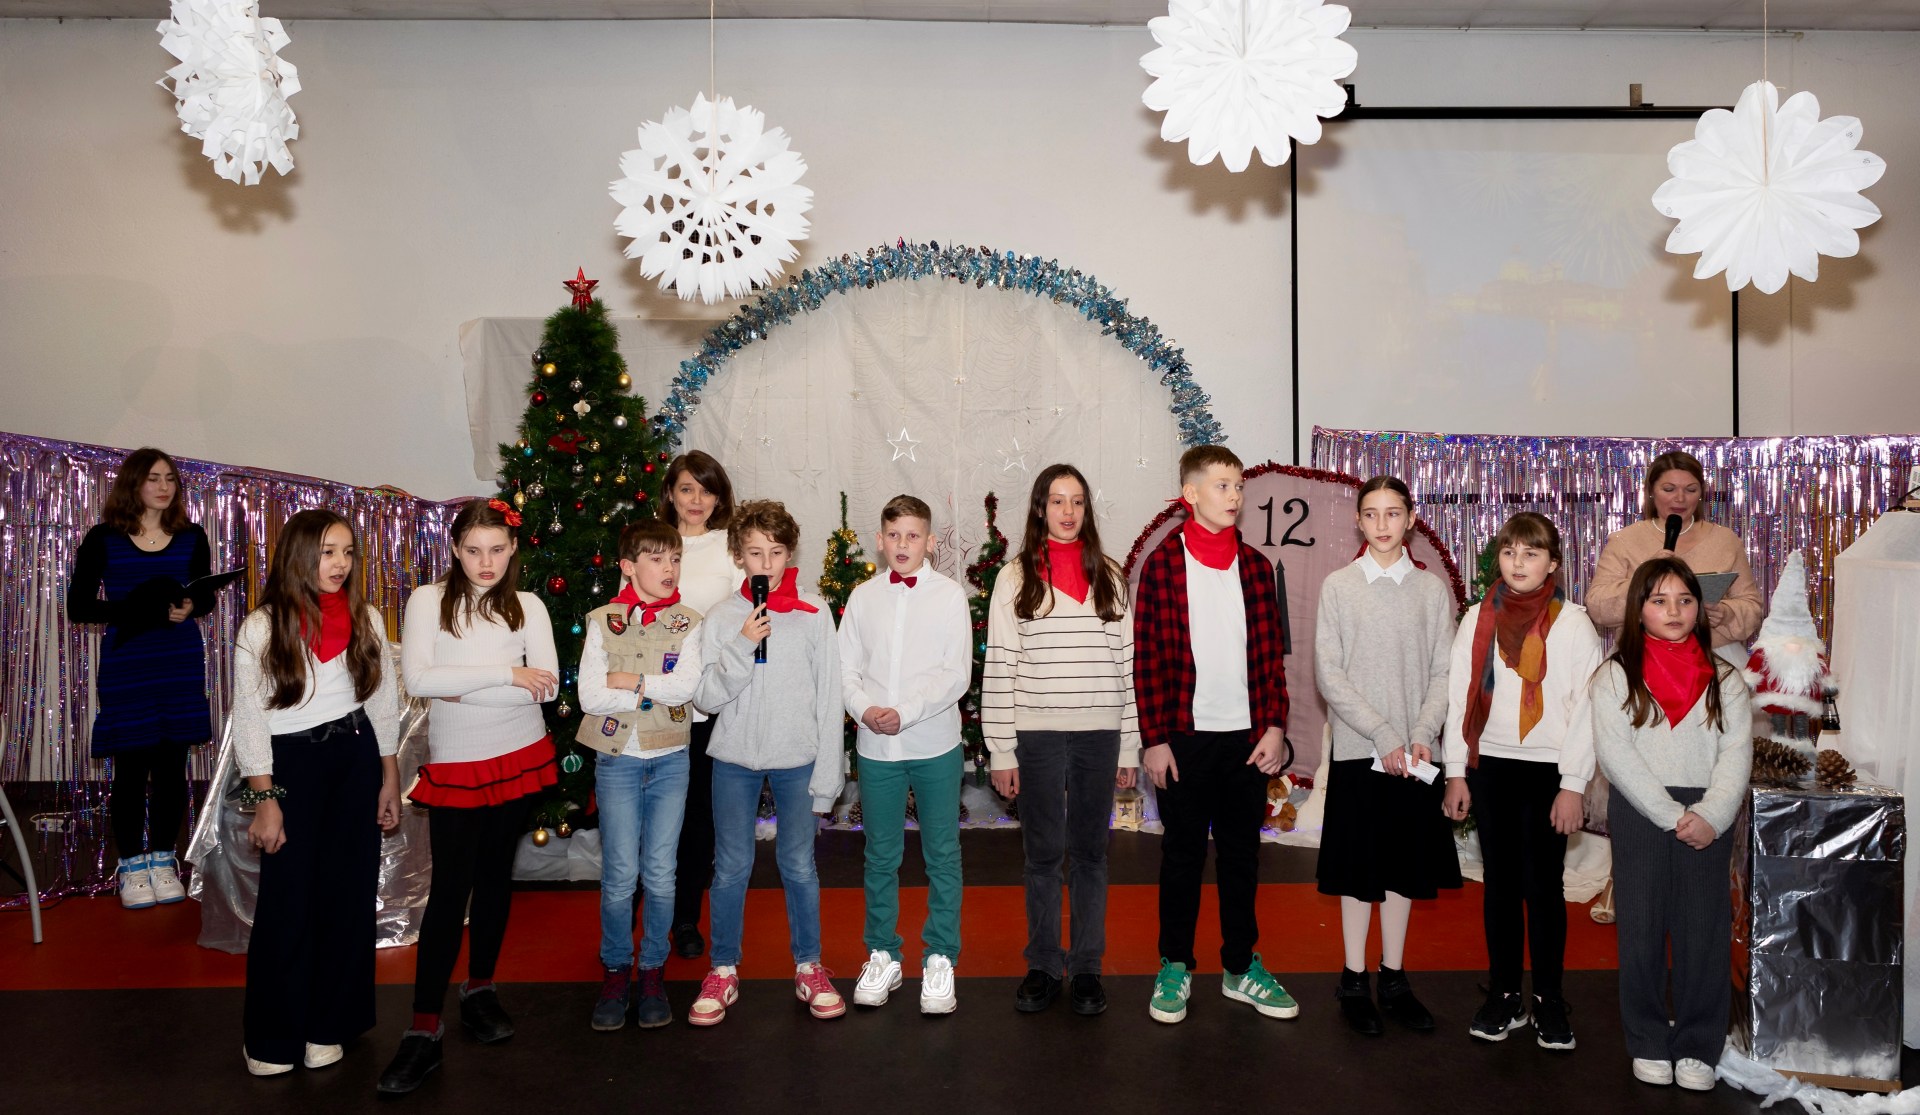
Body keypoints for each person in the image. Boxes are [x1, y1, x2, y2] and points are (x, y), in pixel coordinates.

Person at [378, 498, 559, 1096]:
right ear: (455, 550)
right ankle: (422, 1027)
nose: (487, 562)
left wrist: (462, 689)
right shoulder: (428, 601)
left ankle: (480, 987)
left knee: (495, 879)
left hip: (520, 754)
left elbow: (546, 689)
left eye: (498, 550)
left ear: (513, 549)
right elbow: (420, 680)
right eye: (474, 550)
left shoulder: (528, 605)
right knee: (450, 891)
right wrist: (508, 675)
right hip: (458, 764)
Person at [229, 509, 401, 1077]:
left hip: (354, 758)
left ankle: (329, 1025)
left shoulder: (365, 616)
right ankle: (272, 1038)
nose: (340, 564)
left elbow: (382, 703)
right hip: (290, 765)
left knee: (347, 896)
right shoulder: (262, 627)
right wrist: (265, 801)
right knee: (288, 900)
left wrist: (389, 777)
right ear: (298, 556)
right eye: (328, 552)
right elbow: (250, 720)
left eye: (348, 552)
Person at [1133, 446, 1293, 1026]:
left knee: (1242, 857)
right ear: (1191, 493)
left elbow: (1272, 659)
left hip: (1247, 740)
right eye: (1223, 485)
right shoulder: (1162, 565)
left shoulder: (1256, 566)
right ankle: (1174, 964)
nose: (1235, 496)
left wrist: (1275, 725)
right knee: (1181, 855)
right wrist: (1155, 738)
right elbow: (1147, 657)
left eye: (1239, 486)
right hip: (1183, 738)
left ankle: (1239, 966)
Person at [1441, 513, 1603, 1050]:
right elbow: (1459, 697)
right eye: (1510, 552)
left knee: (1545, 886)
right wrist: (1456, 772)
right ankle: (1505, 994)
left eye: (1531, 554)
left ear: (1552, 563)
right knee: (1501, 886)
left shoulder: (1573, 624)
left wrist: (1573, 784)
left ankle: (1549, 999)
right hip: (1490, 765)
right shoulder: (1477, 617)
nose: (1518, 563)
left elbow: (1587, 709)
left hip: (1549, 770)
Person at [983, 463, 1141, 1016]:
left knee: (1092, 854)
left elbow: (1127, 666)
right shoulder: (1014, 578)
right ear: (1040, 509)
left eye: (1076, 501)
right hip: (1038, 736)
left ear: (1086, 509)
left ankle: (1088, 967)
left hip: (1100, 734)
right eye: (1057, 501)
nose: (1068, 511)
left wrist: (1129, 745)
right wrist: (1002, 750)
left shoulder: (1111, 576)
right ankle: (1045, 964)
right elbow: (1000, 668)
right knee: (1043, 855)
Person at [1592, 557, 1752, 1092]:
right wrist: (1671, 815)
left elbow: (1736, 753)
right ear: (1639, 610)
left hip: (1708, 815)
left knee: (1702, 931)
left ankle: (1699, 1044)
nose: (1674, 611)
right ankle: (1647, 1039)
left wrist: (1711, 815)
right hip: (1643, 811)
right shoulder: (1615, 675)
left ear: (1699, 608)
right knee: (1640, 928)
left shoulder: (1725, 679)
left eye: (1685, 600)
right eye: (1659, 601)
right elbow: (1617, 755)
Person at [686, 500, 846, 1025]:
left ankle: (809, 965)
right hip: (734, 759)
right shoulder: (721, 617)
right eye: (755, 553)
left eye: (776, 552)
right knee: (731, 866)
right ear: (738, 556)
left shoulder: (814, 613)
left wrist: (828, 777)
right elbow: (705, 698)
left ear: (789, 554)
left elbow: (830, 697)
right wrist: (741, 644)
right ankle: (723, 969)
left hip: (797, 758)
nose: (767, 563)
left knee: (798, 864)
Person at [1313, 475, 1460, 1036]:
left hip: (1416, 754)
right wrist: (1380, 732)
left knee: (1403, 868)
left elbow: (1444, 671)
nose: (1382, 524)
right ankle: (1353, 979)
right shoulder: (1338, 586)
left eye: (1393, 513)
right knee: (1360, 871)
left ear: (1411, 519)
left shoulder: (1430, 591)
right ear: (1358, 521)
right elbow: (1329, 673)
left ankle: (1393, 977)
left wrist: (1421, 731)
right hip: (1360, 752)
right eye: (1371, 514)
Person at [66, 447, 215, 909]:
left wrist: (191, 606)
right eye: (153, 478)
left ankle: (164, 860)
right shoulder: (103, 538)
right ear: (134, 483)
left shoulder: (192, 536)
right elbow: (79, 606)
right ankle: (131, 866)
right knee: (131, 768)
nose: (164, 487)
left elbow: (205, 595)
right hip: (128, 661)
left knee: (172, 766)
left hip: (178, 660)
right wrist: (138, 610)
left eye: (170, 478)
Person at [840, 495, 972, 1014]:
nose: (902, 544)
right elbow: (845, 668)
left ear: (930, 542)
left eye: (913, 535)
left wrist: (905, 711)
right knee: (880, 855)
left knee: (942, 853)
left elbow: (956, 673)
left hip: (934, 743)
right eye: (893, 535)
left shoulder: (949, 597)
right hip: (877, 748)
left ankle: (940, 957)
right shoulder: (862, 597)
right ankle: (883, 954)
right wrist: (864, 708)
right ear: (879, 539)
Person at [577, 520, 706, 1032]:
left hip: (670, 758)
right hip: (617, 760)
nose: (668, 568)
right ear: (629, 567)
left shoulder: (688, 622)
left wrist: (627, 679)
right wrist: (653, 684)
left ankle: (652, 969)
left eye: (674, 558)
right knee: (620, 875)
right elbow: (591, 696)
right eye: (656, 559)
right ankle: (616, 969)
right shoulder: (602, 621)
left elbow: (686, 687)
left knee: (660, 872)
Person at [658, 449, 737, 960]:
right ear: (670, 493)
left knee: (698, 817)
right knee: (655, 814)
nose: (696, 500)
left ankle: (686, 917)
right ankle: (643, 914)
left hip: (709, 703)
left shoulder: (729, 547)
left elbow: (744, 618)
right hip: (655, 701)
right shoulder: (652, 541)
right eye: (687, 488)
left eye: (706, 490)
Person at [1587, 450, 1763, 658]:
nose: (1680, 498)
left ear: (1701, 493)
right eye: (1669, 489)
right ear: (1651, 491)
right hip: (1642, 657)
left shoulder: (1725, 540)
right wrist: (1644, 579)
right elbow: (1597, 606)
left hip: (1713, 657)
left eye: (1691, 490)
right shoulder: (1624, 540)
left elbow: (1752, 606)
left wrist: (1726, 613)